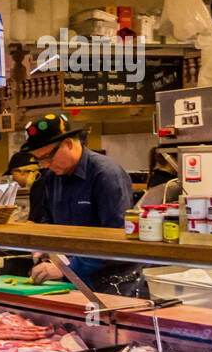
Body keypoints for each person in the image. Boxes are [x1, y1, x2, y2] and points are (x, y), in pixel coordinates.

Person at [20, 112, 137, 295]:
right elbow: (48, 221)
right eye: (39, 159)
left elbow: (116, 238)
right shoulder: (52, 177)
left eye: (48, 156)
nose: (44, 164)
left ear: (68, 143)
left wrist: (66, 268)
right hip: (74, 285)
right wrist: (45, 246)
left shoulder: (105, 174)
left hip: (113, 286)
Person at [5, 150, 43, 222]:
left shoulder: (38, 185)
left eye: (13, 174)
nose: (13, 179)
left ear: (21, 171)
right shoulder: (41, 180)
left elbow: (34, 220)